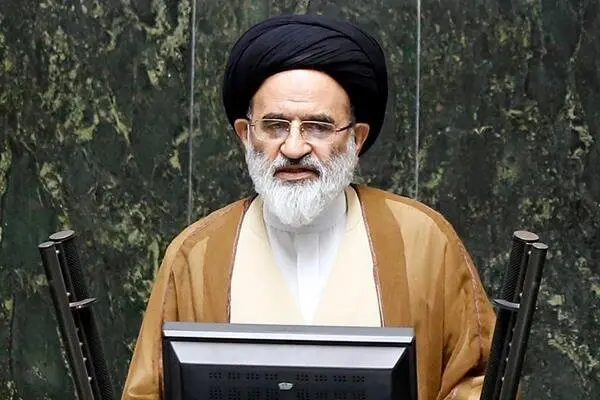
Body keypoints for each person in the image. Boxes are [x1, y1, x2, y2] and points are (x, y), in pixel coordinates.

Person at [122, 14, 496, 400]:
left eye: (318, 126)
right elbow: (149, 391)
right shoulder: (196, 255)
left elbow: (479, 380)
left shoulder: (423, 241)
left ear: (356, 139)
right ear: (246, 135)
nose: (294, 147)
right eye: (275, 125)